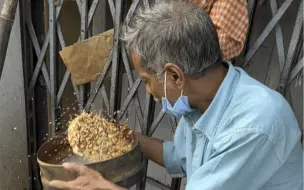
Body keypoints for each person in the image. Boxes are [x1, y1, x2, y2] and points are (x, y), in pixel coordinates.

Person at [49, 1, 303, 190]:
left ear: (175, 76)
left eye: (147, 81)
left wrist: (101, 186)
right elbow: (178, 157)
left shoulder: (253, 125)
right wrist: (121, 136)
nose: (149, 91)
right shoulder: (203, 102)